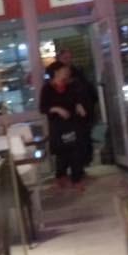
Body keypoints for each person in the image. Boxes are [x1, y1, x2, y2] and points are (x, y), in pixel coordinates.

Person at [40, 62, 87, 190]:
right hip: (58, 126)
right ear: (56, 72)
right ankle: (61, 177)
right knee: (62, 153)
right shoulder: (47, 88)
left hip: (71, 123)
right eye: (64, 70)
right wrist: (56, 109)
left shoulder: (70, 86)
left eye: (67, 70)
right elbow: (43, 108)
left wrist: (79, 105)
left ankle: (76, 179)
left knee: (75, 151)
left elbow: (76, 100)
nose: (66, 72)